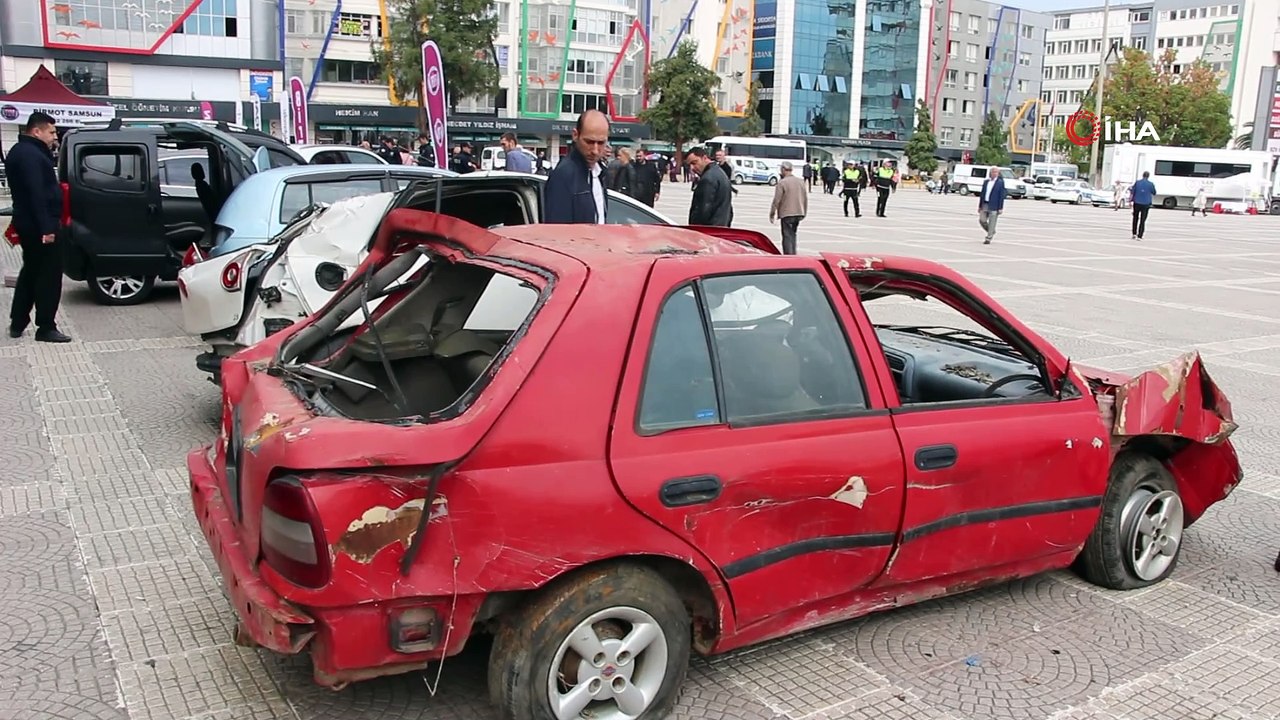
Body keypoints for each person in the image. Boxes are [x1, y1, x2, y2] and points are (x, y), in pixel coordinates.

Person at [6, 112, 70, 343]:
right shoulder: (30, 155)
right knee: (49, 276)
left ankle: (18, 321)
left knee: (31, 272)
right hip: (39, 225)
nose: (55, 136)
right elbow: (37, 194)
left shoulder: (22, 151)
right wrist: (47, 229)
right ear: (37, 131)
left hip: (30, 223)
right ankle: (45, 326)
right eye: (52, 132)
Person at [545, 109, 610, 223]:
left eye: (600, 143)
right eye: (589, 142)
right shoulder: (564, 174)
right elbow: (556, 229)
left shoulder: (599, 172)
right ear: (575, 135)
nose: (595, 150)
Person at [686, 147, 731, 226]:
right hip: (721, 228)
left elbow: (703, 210)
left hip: (708, 230)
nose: (692, 168)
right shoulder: (720, 173)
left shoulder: (708, 179)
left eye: (694, 163)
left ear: (704, 158)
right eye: (689, 165)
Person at [770, 162, 808, 255]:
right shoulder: (800, 181)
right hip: (799, 212)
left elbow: (777, 200)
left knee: (787, 236)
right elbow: (805, 198)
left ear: (783, 169)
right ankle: (793, 253)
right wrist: (804, 212)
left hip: (787, 213)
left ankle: (788, 255)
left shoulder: (782, 183)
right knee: (793, 235)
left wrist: (772, 213)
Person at [977, 166, 1007, 245]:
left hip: (994, 205)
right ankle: (991, 231)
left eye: (996, 172)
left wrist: (1000, 207)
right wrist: (980, 206)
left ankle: (988, 238)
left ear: (998, 173)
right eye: (993, 172)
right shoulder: (986, 182)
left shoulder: (1000, 183)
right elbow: (982, 194)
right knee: (982, 220)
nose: (994, 173)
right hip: (985, 204)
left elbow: (1001, 196)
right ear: (990, 173)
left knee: (992, 222)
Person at [1130, 171, 1156, 240]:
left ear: (1142, 175)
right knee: (1143, 220)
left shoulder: (1137, 182)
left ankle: (1134, 233)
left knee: (1135, 218)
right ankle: (1140, 235)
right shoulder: (1151, 184)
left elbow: (1132, 191)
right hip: (1146, 203)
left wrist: (1131, 201)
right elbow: (1154, 192)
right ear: (1148, 176)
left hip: (1137, 202)